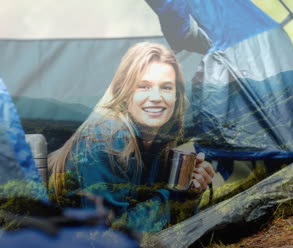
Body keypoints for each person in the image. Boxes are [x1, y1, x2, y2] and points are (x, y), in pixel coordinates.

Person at [48, 42, 215, 232]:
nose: (156, 97)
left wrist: (191, 191)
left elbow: (167, 228)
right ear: (125, 92)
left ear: (176, 96)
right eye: (143, 86)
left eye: (166, 88)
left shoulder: (157, 139)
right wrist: (176, 196)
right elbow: (110, 237)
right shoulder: (106, 139)